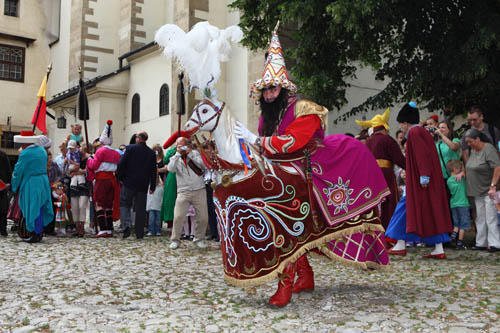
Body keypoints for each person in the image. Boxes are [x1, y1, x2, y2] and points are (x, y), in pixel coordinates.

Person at [233, 28, 390, 307]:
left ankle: (287, 282)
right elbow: (264, 146)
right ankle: (304, 275)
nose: (268, 94)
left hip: (311, 166)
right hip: (281, 172)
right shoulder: (266, 117)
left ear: (284, 88)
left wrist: (259, 141)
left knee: (286, 222)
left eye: (273, 88)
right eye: (265, 89)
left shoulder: (303, 107)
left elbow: (295, 140)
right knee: (284, 222)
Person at [386, 102, 452, 259]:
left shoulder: (414, 133)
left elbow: (422, 156)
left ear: (405, 122)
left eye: (401, 124)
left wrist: (424, 176)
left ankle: (400, 243)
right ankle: (438, 248)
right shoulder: (420, 132)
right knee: (431, 211)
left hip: (420, 183)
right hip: (425, 180)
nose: (401, 127)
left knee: (403, 209)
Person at [355, 108, 406, 230]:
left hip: (372, 175)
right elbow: (399, 159)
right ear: (384, 127)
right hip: (386, 174)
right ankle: (390, 231)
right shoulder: (387, 140)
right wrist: (410, 167)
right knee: (390, 201)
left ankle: (376, 230)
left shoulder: (368, 142)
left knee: (375, 202)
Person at [11, 131, 54, 243]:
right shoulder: (42, 151)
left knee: (32, 208)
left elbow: (18, 171)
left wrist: (14, 186)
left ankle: (34, 233)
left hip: (31, 182)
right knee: (40, 207)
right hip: (43, 181)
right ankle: (39, 232)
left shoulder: (25, 154)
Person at [167, 137, 208, 250]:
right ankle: (175, 239)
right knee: (178, 216)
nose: (180, 148)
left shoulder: (195, 153)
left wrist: (190, 155)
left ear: (188, 145)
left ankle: (199, 239)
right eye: (178, 146)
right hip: (183, 191)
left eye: (182, 145)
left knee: (203, 217)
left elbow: (203, 166)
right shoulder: (175, 157)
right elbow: (171, 169)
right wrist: (177, 155)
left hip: (198, 189)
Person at [464, 128, 500, 252]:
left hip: (488, 190)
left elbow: (497, 167)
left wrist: (492, 185)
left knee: (491, 217)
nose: (468, 145)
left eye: (470, 142)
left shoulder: (488, 149)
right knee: (480, 217)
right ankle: (481, 242)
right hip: (477, 191)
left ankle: (494, 243)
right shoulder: (474, 150)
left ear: (477, 139)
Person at [117, 131, 157, 239]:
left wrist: (119, 177)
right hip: (142, 185)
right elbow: (154, 171)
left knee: (125, 204)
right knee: (140, 209)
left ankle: (126, 226)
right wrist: (152, 186)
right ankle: (139, 232)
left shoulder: (130, 148)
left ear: (138, 138)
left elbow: (121, 164)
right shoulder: (151, 153)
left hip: (129, 182)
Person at [86, 121, 121, 238]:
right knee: (109, 205)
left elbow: (94, 165)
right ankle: (110, 228)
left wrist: (89, 158)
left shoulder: (100, 151)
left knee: (100, 204)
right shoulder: (116, 152)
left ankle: (103, 228)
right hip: (112, 179)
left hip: (102, 179)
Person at [446, 160, 471, 249]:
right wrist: (462, 172)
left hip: (453, 204)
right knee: (463, 225)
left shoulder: (449, 180)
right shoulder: (460, 178)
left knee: (456, 224)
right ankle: (459, 243)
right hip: (463, 203)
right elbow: (467, 171)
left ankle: (453, 236)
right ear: (455, 169)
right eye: (459, 169)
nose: (461, 170)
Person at [0, 148, 11, 236]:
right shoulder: (3, 154)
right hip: (3, 184)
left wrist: (8, 183)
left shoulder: (3, 155)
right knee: (3, 208)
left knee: (3, 208)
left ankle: (3, 228)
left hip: (2, 185)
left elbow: (8, 170)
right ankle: (3, 229)